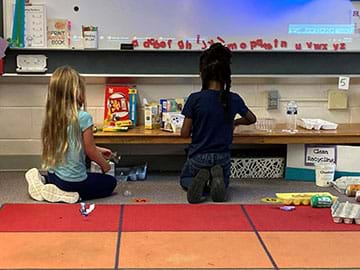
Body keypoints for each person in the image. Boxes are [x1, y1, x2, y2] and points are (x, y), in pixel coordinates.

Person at [25, 66, 117, 203]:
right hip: (72, 182)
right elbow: (89, 150)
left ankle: (44, 181)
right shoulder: (83, 117)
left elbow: (74, 144)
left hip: (54, 175)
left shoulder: (53, 115)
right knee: (110, 182)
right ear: (75, 92)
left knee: (59, 177)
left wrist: (100, 150)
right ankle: (70, 195)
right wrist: (106, 166)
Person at [180, 43, 257, 204]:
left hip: (198, 156)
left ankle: (201, 180)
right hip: (222, 158)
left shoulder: (195, 99)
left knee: (185, 178)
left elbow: (184, 133)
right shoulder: (234, 98)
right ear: (226, 77)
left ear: (203, 74)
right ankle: (215, 179)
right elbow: (252, 119)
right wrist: (234, 122)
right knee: (225, 182)